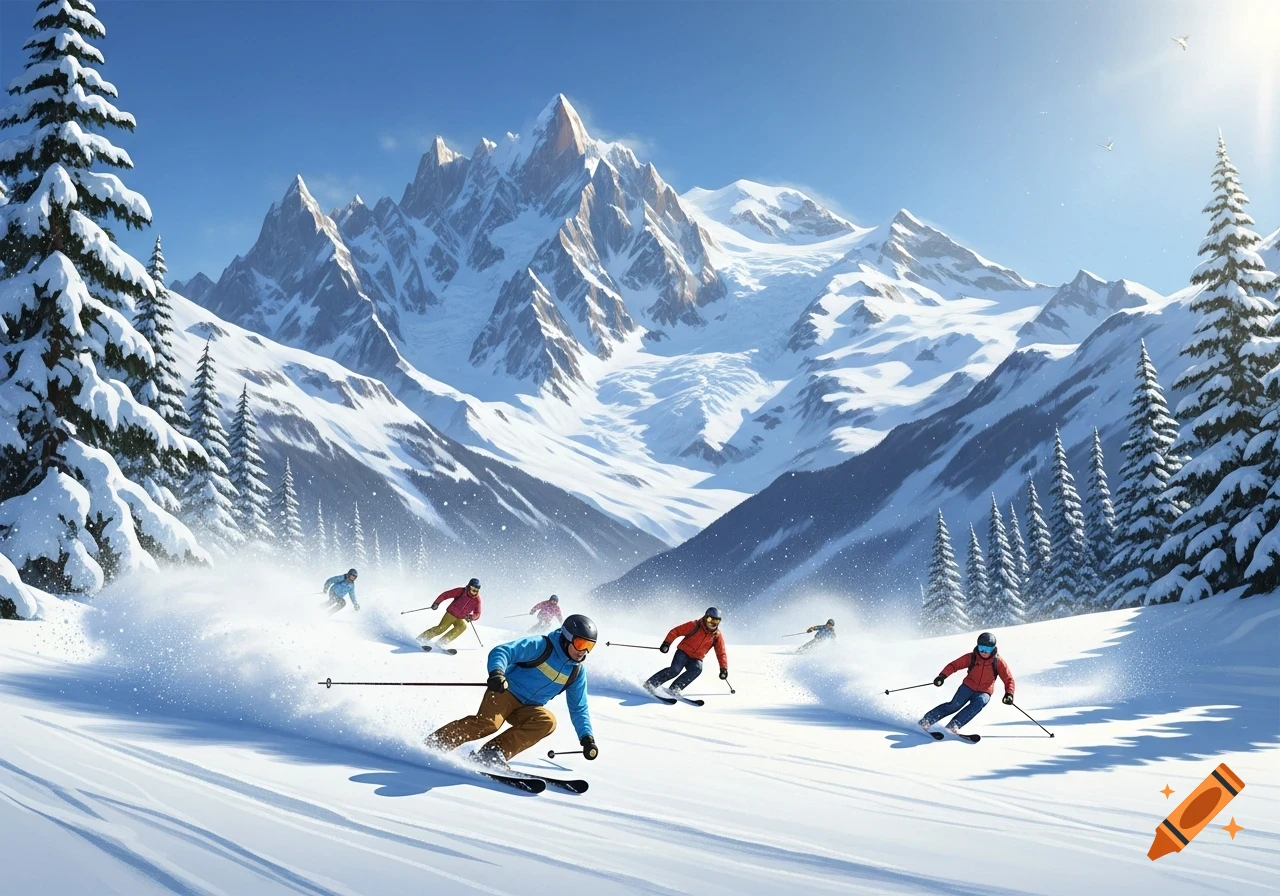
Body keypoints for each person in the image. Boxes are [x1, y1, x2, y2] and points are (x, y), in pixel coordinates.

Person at [427, 614, 599, 768]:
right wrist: (497, 673)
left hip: (528, 707)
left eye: (589, 646)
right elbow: (503, 651)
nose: (584, 651)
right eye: (580, 643)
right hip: (505, 692)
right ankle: (436, 743)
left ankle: (493, 753)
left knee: (547, 722)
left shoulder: (576, 672)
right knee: (488, 724)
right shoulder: (541, 646)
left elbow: (578, 707)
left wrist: (587, 738)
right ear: (566, 638)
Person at [918, 632, 1015, 734]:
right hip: (968, 686)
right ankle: (927, 720)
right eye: (982, 648)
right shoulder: (972, 657)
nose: (984, 652)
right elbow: (954, 665)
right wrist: (942, 676)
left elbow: (1008, 679)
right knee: (954, 705)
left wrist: (1009, 693)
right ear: (977, 646)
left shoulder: (998, 662)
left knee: (979, 703)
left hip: (985, 691)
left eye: (988, 649)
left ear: (993, 649)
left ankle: (954, 725)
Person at [644, 607, 728, 697]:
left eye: (716, 621)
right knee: (675, 670)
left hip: (696, 658)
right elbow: (676, 631)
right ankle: (651, 683)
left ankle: (675, 688)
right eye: (710, 619)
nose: (712, 623)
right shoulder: (694, 625)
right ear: (705, 617)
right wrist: (666, 643)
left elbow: (721, 652)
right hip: (683, 652)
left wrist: (723, 669)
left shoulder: (717, 636)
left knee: (697, 669)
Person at [417, 577, 482, 646]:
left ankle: (441, 642)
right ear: (469, 586)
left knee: (462, 627)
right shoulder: (461, 591)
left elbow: (478, 613)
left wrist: (472, 617)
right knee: (441, 629)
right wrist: (437, 602)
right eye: (472, 588)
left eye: (476, 589)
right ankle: (421, 639)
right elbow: (446, 594)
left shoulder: (477, 600)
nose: (474, 591)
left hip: (459, 618)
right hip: (451, 614)